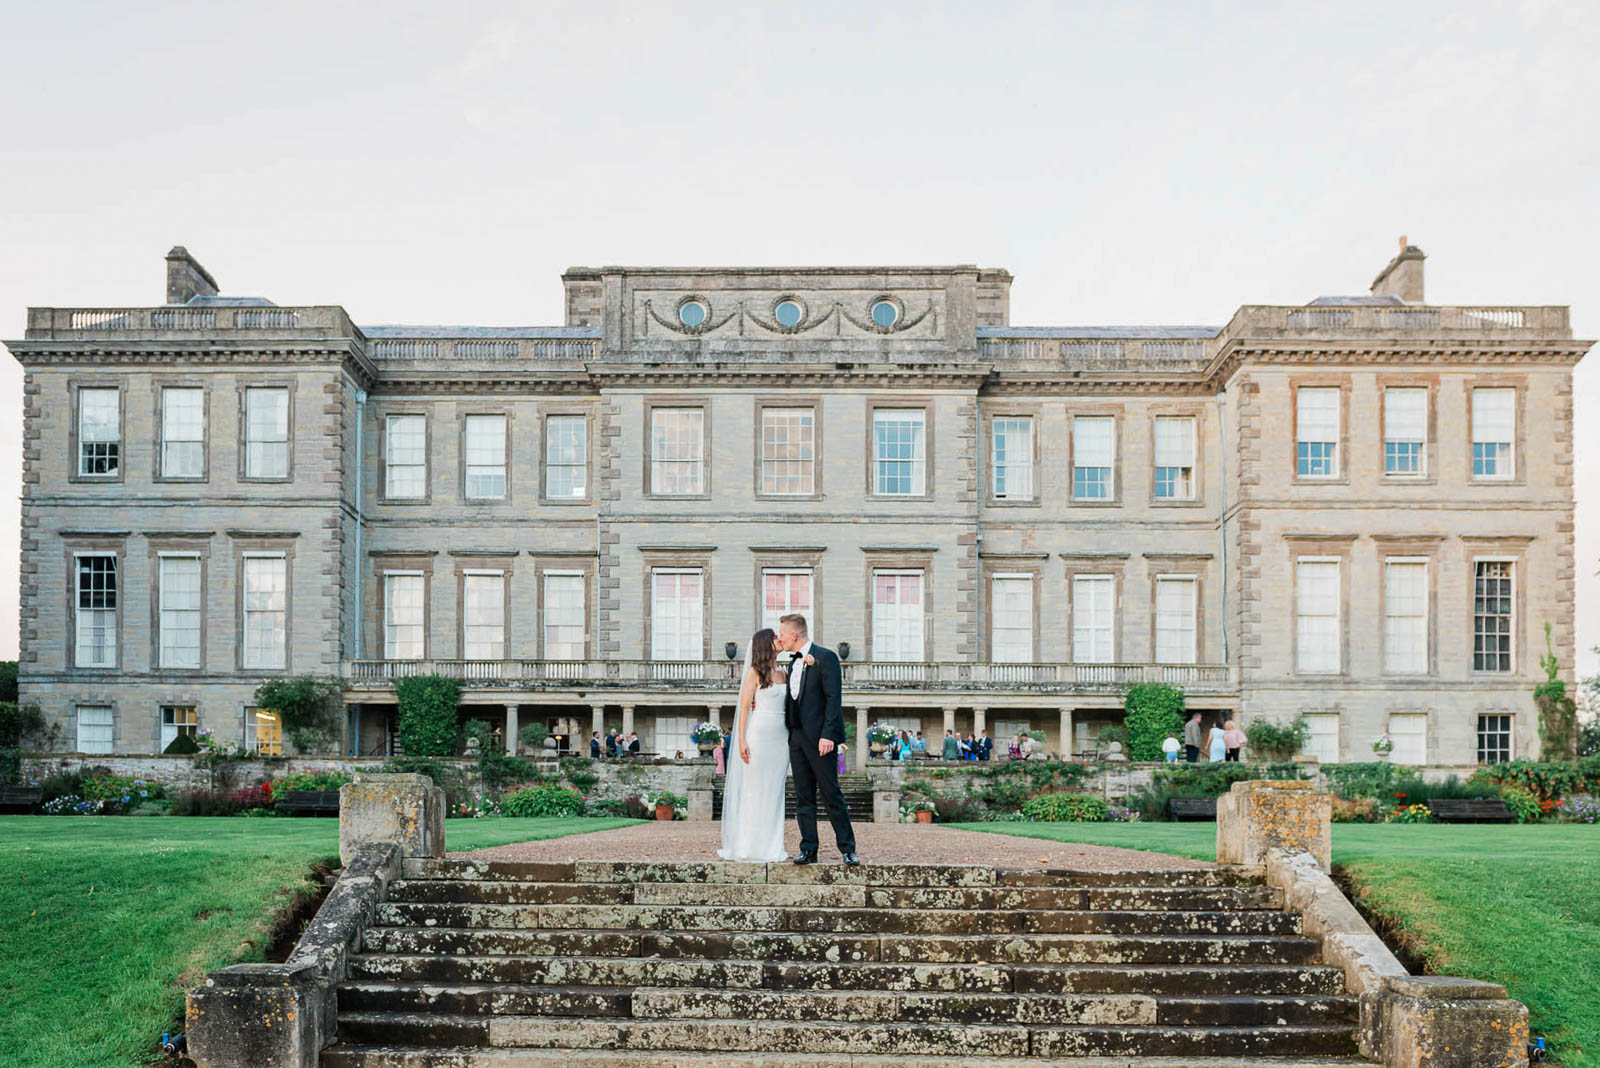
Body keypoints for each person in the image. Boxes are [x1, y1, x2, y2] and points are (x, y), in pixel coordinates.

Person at [776, 613, 858, 865]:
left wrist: (828, 735)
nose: (779, 638)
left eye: (782, 634)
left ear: (793, 635)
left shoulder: (826, 658)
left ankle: (848, 849)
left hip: (821, 739)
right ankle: (809, 849)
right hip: (797, 738)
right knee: (803, 796)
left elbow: (834, 699)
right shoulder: (792, 662)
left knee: (831, 794)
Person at [718, 627, 792, 863]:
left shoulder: (783, 673)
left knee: (775, 790)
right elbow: (743, 709)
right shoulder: (754, 673)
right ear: (764, 644)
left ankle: (772, 846)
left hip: (781, 740)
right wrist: (741, 741)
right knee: (755, 790)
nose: (779, 640)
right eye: (774, 638)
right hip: (759, 736)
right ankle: (748, 846)